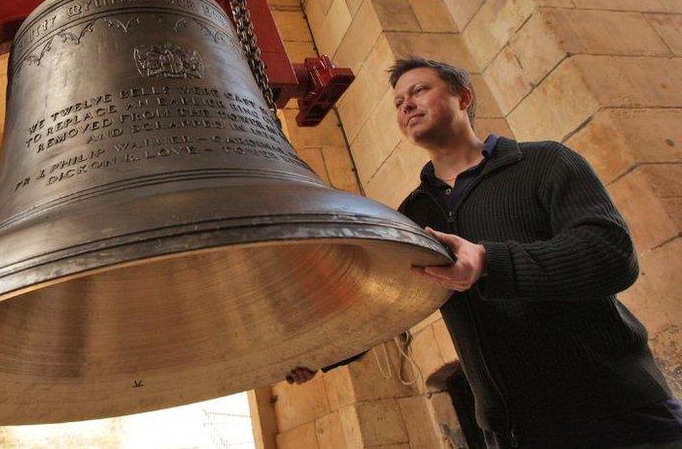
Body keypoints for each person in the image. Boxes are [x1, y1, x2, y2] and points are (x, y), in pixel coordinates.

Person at [287, 57, 682, 448]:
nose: (405, 104)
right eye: (398, 101)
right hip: (510, 431)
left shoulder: (545, 162)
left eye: (420, 90)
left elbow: (611, 254)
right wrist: (319, 352)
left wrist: (490, 262)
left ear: (464, 97)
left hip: (618, 414)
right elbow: (383, 306)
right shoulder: (413, 215)